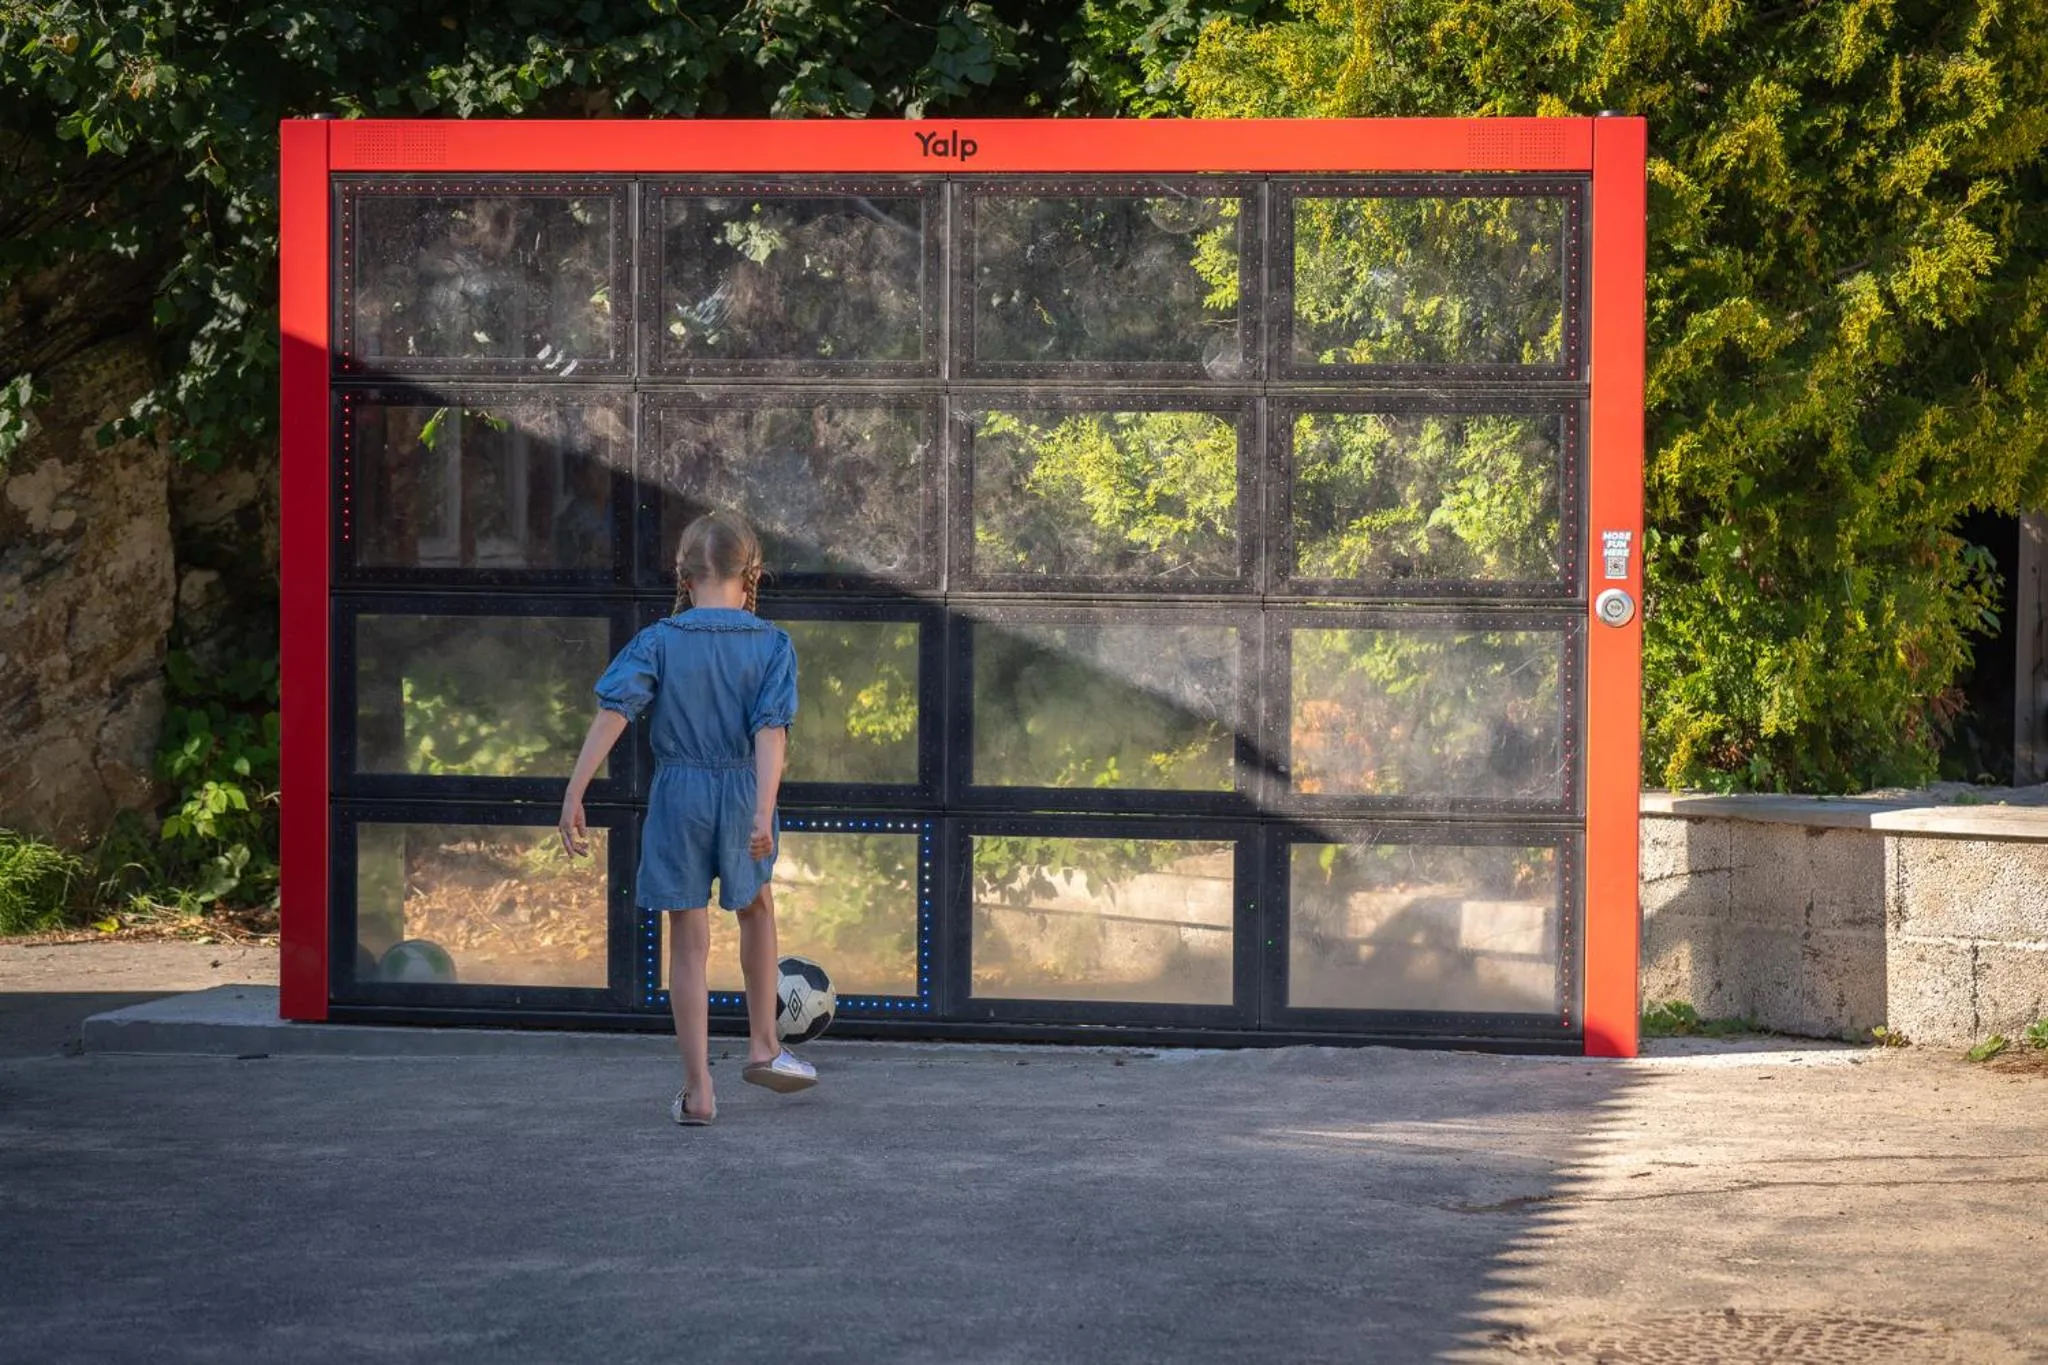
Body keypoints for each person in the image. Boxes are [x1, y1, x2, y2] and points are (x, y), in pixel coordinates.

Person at [557, 510, 814, 1126]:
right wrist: (761, 809)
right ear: (751, 573)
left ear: (684, 573)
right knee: (756, 909)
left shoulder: (658, 640)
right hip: (740, 789)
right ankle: (763, 1046)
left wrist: (575, 790)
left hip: (678, 795)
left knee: (689, 940)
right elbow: (770, 733)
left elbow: (613, 712)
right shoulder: (772, 644)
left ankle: (699, 1092)